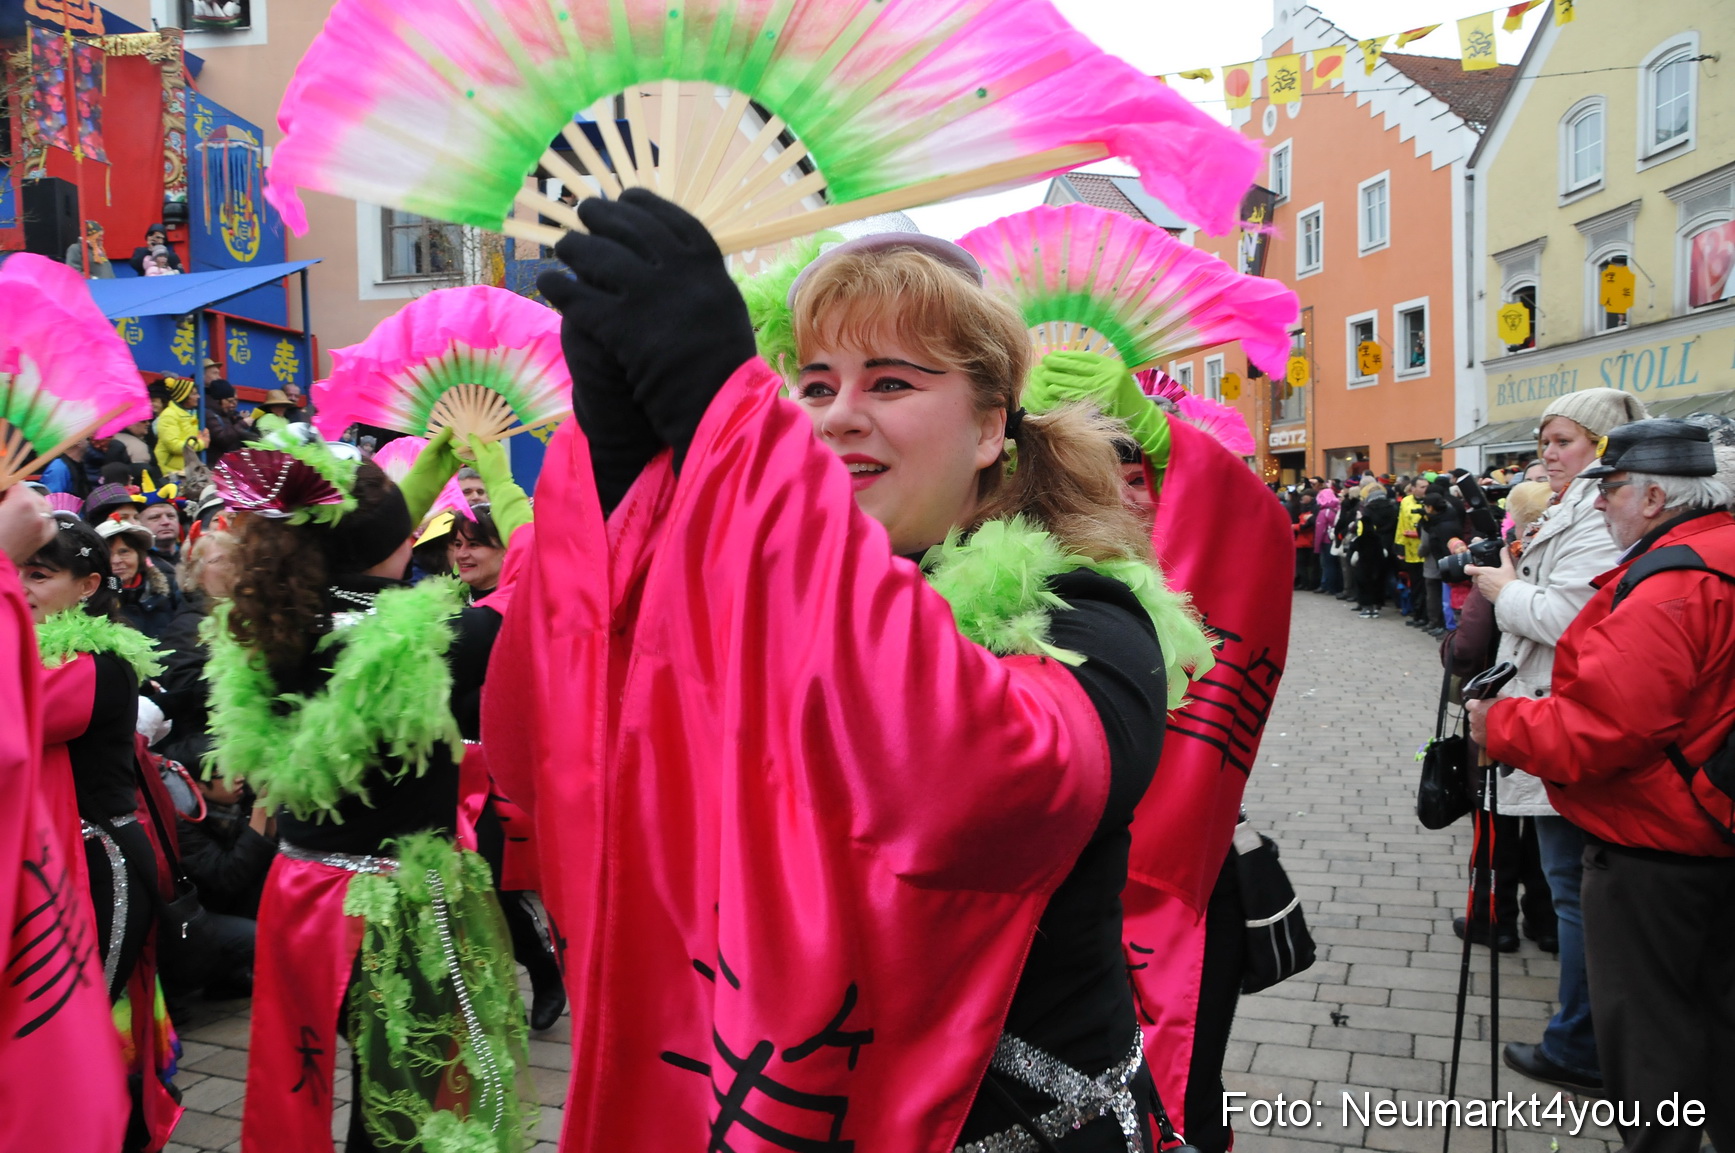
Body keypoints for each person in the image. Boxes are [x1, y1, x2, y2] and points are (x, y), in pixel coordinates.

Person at [509, 189, 1210, 1150]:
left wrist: (732, 423)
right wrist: (629, 473)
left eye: (889, 382)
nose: (838, 416)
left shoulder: (1085, 617)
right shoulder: (750, 599)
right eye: (812, 385)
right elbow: (564, 736)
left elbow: (971, 782)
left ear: (990, 428)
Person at [207, 436, 533, 1151]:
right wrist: (500, 481)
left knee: (318, 1080)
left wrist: (421, 479)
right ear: (400, 541)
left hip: (302, 894)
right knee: (413, 1111)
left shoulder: (268, 618)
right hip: (399, 908)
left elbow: (356, 552)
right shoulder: (437, 635)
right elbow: (543, 577)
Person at [1470, 419, 1735, 1153]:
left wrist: (1498, 725)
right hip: (1711, 824)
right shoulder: (1718, 551)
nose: (1597, 503)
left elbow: (1607, 727)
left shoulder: (1672, 582)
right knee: (1716, 1017)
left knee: (1649, 1034)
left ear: (1653, 497)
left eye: (1610, 488)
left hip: (1659, 841)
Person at [1464, 386, 1645, 1097]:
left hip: (1564, 718)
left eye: (1562, 440)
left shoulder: (1598, 517)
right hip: (1551, 713)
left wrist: (1500, 588)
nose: (1547, 453)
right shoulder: (1576, 506)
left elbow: (1570, 619)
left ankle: (1580, 1041)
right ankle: (1585, 1031)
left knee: (1574, 888)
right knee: (1571, 885)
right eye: (1544, 441)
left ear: (1602, 446)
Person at [22, 517, 179, 1149]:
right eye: (13, 571)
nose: (20, 587)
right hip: (48, 865)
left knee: (79, 1023)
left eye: (39, 575)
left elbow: (20, 717)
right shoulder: (26, 652)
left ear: (87, 585)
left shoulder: (99, 663)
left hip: (98, 866)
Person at [97, 519, 180, 641]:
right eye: (107, 554)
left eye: (124, 551)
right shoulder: (93, 603)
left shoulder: (169, 590)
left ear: (139, 555)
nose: (116, 560)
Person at [1353, 477, 1396, 618]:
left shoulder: (1368, 510)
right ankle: (1378, 604)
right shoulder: (1393, 507)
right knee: (1380, 576)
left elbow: (1363, 530)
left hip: (1369, 546)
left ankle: (1366, 606)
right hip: (1387, 544)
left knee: (1364, 577)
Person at [151, 379, 205, 477]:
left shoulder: (190, 414)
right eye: (194, 394)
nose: (198, 396)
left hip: (185, 469)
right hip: (169, 471)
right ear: (184, 396)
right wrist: (201, 443)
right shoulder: (169, 415)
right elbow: (174, 446)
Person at [1398, 477, 1428, 627]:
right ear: (1413, 488)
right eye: (1422, 487)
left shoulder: (1431, 502)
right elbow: (1401, 524)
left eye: (1426, 486)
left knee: (1426, 586)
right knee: (1415, 585)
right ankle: (1417, 614)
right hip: (1411, 551)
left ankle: (1425, 616)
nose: (1425, 489)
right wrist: (1399, 545)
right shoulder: (1406, 501)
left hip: (1426, 551)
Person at [204, 380, 248, 458]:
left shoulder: (228, 414)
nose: (233, 404)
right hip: (215, 462)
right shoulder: (209, 414)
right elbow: (222, 438)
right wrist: (243, 424)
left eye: (236, 400)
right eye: (230, 401)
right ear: (219, 400)